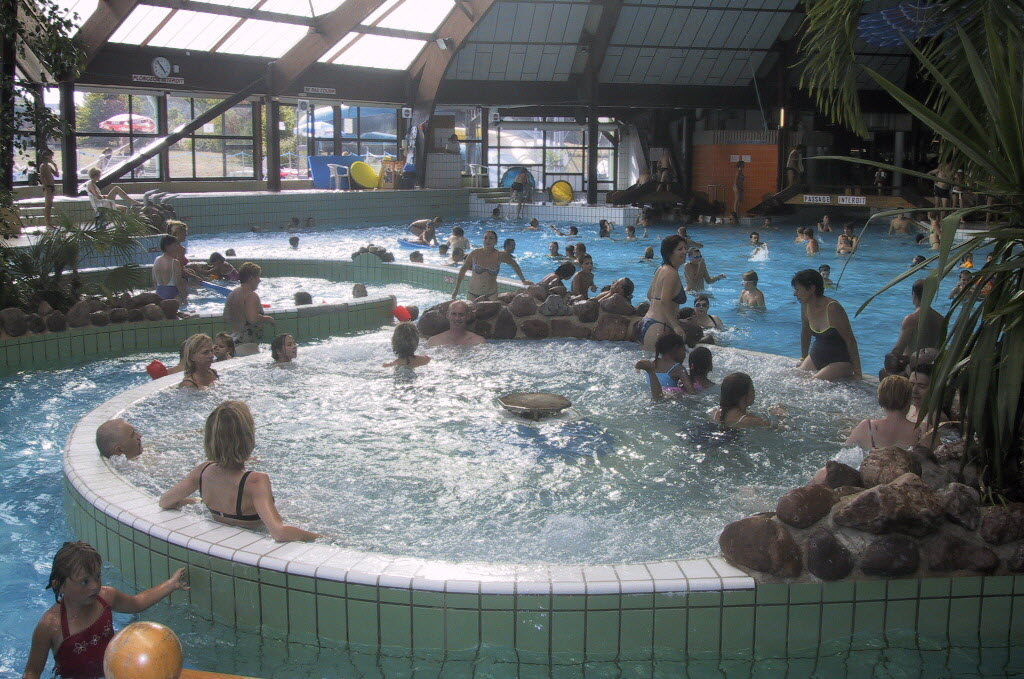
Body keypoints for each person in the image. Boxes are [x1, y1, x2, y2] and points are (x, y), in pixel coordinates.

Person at [23, 542, 188, 679]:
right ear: (59, 585)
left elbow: (137, 603)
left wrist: (171, 584)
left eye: (97, 577)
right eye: (84, 582)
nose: (95, 586)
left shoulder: (106, 597)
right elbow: (32, 672)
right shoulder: (50, 627)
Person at [159, 401, 319, 542]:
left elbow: (165, 502)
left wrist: (192, 501)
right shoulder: (255, 481)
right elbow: (279, 532)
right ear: (248, 438)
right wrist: (320, 538)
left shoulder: (202, 471)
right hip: (257, 537)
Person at [793, 269, 862, 380]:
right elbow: (805, 332)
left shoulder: (833, 308)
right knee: (796, 378)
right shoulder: (805, 305)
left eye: (797, 289)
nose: (794, 294)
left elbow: (850, 340)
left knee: (814, 383)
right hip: (818, 355)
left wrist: (858, 373)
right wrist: (803, 357)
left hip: (840, 360)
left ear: (811, 289)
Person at [639, 235, 689, 351]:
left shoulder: (661, 269)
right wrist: (676, 326)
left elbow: (649, 295)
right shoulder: (671, 273)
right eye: (680, 249)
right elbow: (665, 301)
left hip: (647, 323)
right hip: (659, 327)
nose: (685, 252)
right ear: (669, 253)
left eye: (685, 248)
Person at [844, 375, 920, 450]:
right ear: (909, 400)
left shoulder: (867, 427)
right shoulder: (921, 431)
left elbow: (845, 450)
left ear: (880, 399)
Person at [452, 230, 531, 300]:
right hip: (473, 293)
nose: (488, 240)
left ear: (496, 241)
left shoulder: (500, 255)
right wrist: (456, 289)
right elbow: (463, 270)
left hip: (491, 294)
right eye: (485, 238)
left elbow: (515, 265)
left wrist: (523, 280)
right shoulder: (475, 253)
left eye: (491, 238)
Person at [224, 262, 274, 357]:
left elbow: (226, 317)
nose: (259, 280)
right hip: (247, 345)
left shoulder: (233, 293)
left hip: (234, 341)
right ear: (251, 278)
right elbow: (252, 319)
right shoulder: (251, 295)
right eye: (258, 277)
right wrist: (268, 319)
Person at [889, 279, 944, 361]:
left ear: (914, 295)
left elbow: (897, 351)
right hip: (932, 367)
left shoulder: (912, 319)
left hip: (912, 366)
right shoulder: (941, 319)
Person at [635, 332, 693, 399]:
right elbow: (691, 392)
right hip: (665, 400)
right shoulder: (678, 368)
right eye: (684, 350)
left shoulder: (651, 363)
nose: (685, 355)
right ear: (676, 348)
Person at [152, 236, 187, 304]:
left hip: (159, 293)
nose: (177, 247)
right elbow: (178, 284)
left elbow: (154, 281)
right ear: (167, 247)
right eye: (175, 245)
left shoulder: (156, 260)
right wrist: (184, 299)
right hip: (172, 294)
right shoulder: (174, 262)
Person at [38, 149, 59, 229]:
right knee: (47, 205)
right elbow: (42, 177)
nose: (52, 157)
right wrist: (45, 186)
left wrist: (55, 166)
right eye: (50, 156)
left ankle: (49, 223)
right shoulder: (43, 166)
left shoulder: (49, 166)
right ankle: (47, 224)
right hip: (47, 187)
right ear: (46, 156)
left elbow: (57, 175)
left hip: (51, 186)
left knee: (50, 205)